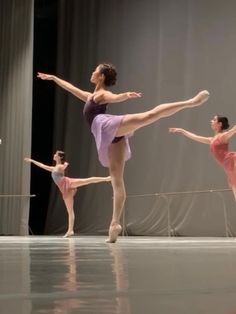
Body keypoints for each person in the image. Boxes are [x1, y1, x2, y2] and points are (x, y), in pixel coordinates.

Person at [37, 63, 209, 242]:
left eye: (95, 70)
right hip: (108, 135)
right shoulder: (91, 96)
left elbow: (113, 96)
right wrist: (54, 78)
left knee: (149, 116)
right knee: (116, 181)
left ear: (102, 76)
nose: (92, 71)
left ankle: (191, 102)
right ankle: (114, 224)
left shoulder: (102, 94)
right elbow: (71, 88)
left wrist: (124, 96)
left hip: (107, 125)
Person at [24, 151, 111, 238]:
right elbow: (42, 165)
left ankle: (106, 179)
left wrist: (65, 165)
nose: (54, 155)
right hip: (64, 190)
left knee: (87, 181)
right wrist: (32, 161)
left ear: (59, 157)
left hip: (68, 183)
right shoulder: (54, 168)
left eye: (56, 154)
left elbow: (63, 167)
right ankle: (70, 230)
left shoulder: (60, 166)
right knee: (70, 211)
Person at [169, 115, 236, 199]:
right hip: (229, 168)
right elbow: (196, 137)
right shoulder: (211, 140)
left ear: (219, 124)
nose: (211, 121)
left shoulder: (223, 136)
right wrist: (182, 131)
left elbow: (234, 129)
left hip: (232, 162)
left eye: (214, 120)